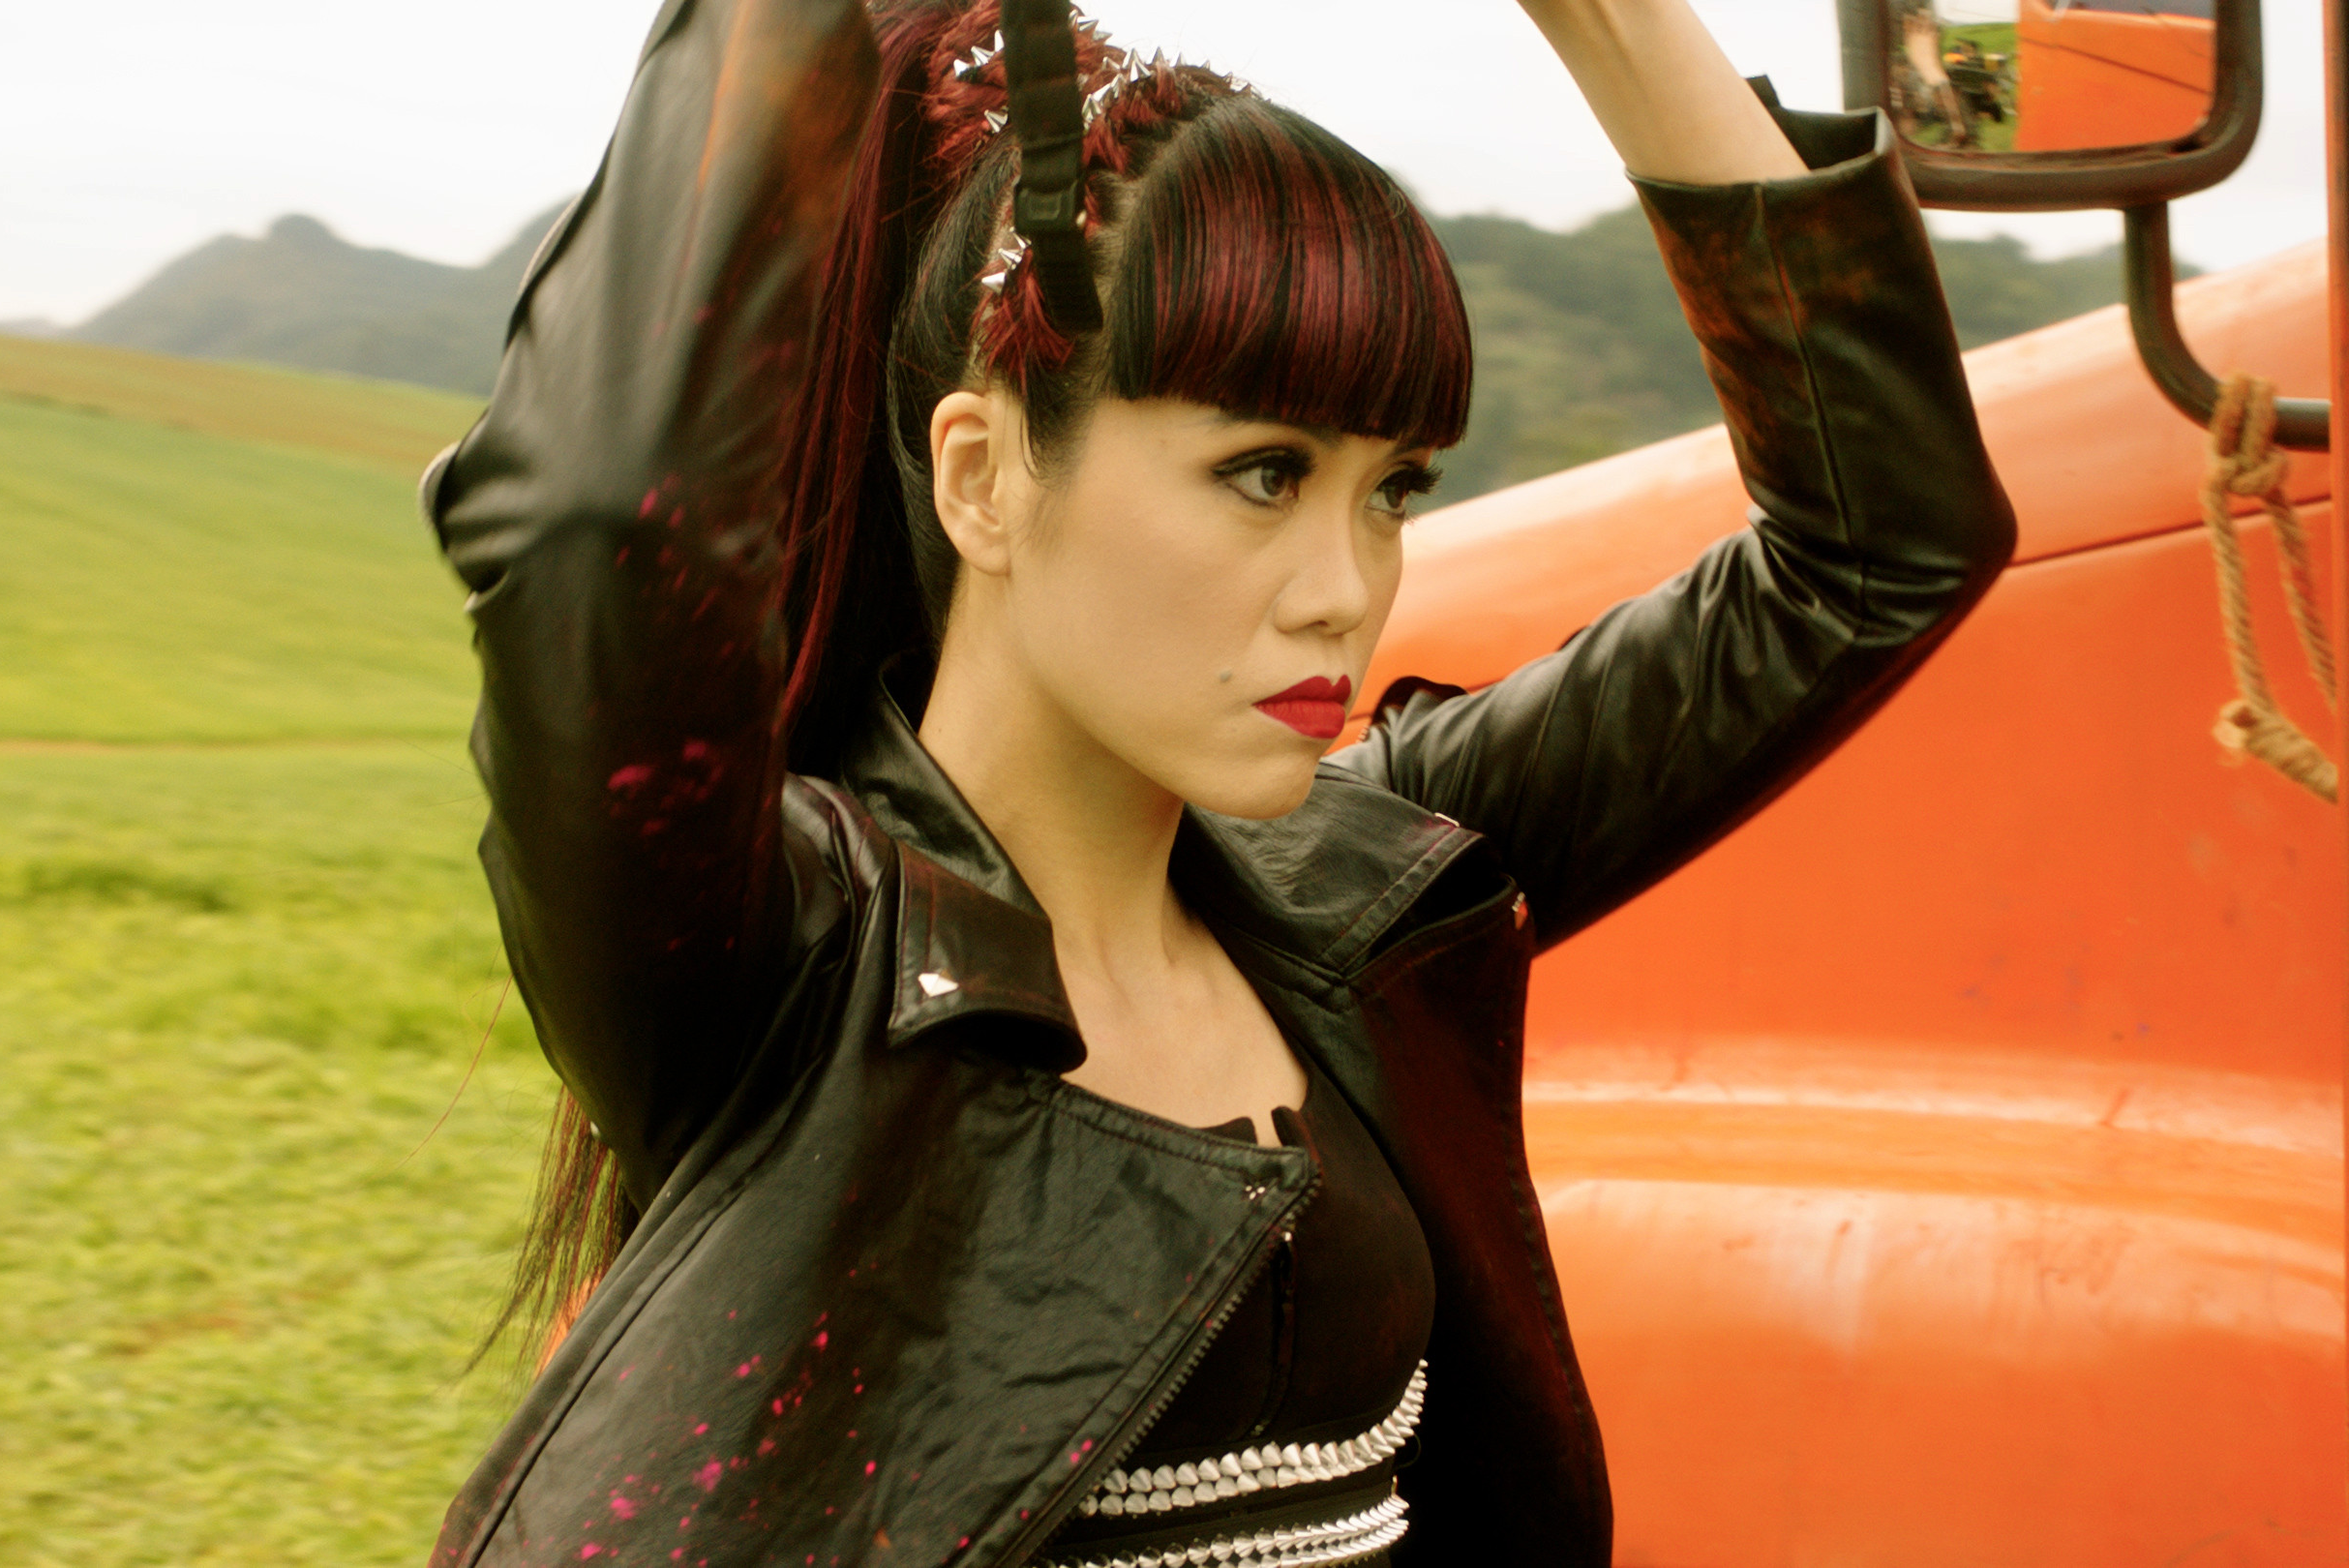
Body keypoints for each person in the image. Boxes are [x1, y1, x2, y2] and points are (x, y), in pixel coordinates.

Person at [417, 0, 2013, 1562]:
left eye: (1392, 491)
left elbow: (1881, 548)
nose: (1347, 590)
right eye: (1263, 474)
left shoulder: (1373, 893)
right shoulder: (778, 969)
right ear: (981, 474)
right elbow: (595, 533)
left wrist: (1610, 17)